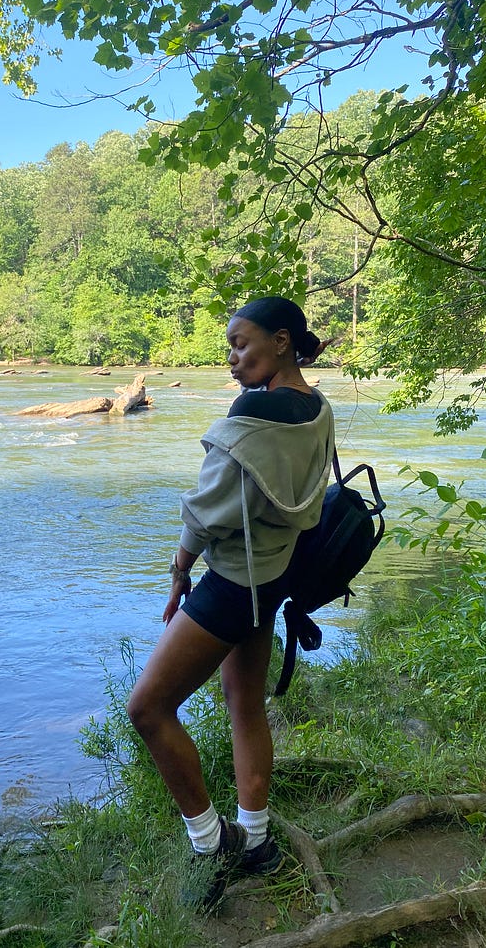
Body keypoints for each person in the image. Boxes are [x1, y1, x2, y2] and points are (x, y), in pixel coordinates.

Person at [127, 296, 334, 910]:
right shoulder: (317, 407)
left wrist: (179, 571)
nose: (233, 359)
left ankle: (211, 842)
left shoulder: (253, 412)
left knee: (148, 708)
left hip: (234, 583)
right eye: (229, 349)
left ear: (280, 340)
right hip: (275, 577)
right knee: (245, 704)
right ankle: (258, 841)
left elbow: (209, 507)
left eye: (241, 344)